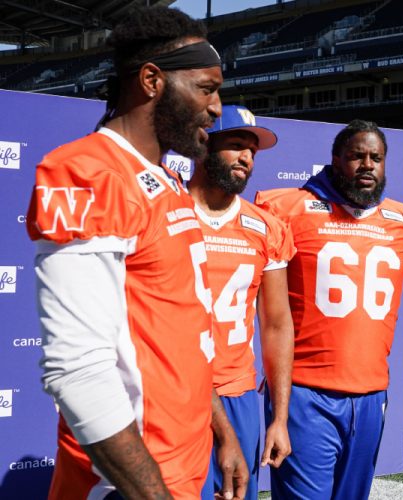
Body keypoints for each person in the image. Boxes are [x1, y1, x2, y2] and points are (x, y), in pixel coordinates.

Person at [26, 7, 247, 499]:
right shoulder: (88, 171)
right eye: (207, 89)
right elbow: (78, 369)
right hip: (125, 481)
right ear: (152, 81)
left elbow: (181, 335)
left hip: (185, 460)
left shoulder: (166, 180)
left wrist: (222, 431)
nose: (216, 108)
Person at [254, 119, 403, 499]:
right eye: (357, 156)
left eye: (376, 157)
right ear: (336, 161)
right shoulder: (288, 210)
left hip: (371, 396)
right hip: (306, 393)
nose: (367, 164)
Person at [187, 104, 294, 500]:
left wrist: (279, 417)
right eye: (235, 145)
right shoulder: (167, 213)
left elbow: (277, 323)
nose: (247, 157)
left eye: (252, 150)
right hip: (174, 391)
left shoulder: (266, 228)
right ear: (202, 146)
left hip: (238, 394)